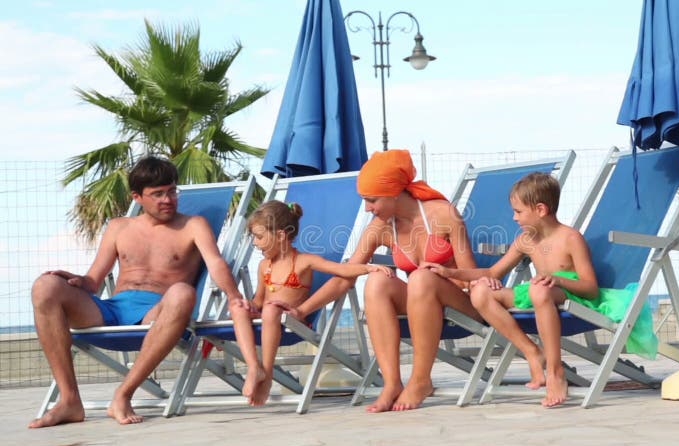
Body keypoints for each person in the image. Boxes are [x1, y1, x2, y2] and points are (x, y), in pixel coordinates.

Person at [28, 156, 246, 428]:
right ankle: (69, 400)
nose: (168, 200)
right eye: (158, 194)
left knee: (183, 292)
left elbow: (216, 264)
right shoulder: (119, 227)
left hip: (157, 311)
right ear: (137, 197)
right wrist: (77, 280)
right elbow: (93, 281)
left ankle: (123, 394)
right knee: (45, 286)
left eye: (172, 191)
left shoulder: (192, 225)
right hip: (113, 309)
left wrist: (235, 298)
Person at [274, 149, 480, 413]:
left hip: (459, 303)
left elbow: (470, 276)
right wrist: (301, 311)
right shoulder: (380, 227)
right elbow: (345, 277)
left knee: (421, 277)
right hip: (420, 303)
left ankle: (420, 380)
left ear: (393, 193)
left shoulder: (443, 214)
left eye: (371, 200)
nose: (367, 208)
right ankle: (392, 383)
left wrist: (442, 274)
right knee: (376, 281)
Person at [422, 172, 599, 408]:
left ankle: (555, 371)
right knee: (480, 292)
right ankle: (531, 351)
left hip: (569, 292)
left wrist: (557, 280)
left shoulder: (571, 238)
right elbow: (492, 272)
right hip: (538, 290)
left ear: (540, 209)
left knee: (538, 289)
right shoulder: (525, 240)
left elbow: (591, 288)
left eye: (518, 212)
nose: (514, 218)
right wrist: (449, 273)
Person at [228, 200, 394, 406]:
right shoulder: (264, 266)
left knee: (270, 310)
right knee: (237, 307)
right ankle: (254, 366)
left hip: (293, 321)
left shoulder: (304, 260)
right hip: (267, 317)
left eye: (259, 237)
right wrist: (248, 306)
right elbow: (259, 300)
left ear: (280, 235)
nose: (255, 242)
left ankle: (267, 373)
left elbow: (340, 270)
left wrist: (368, 268)